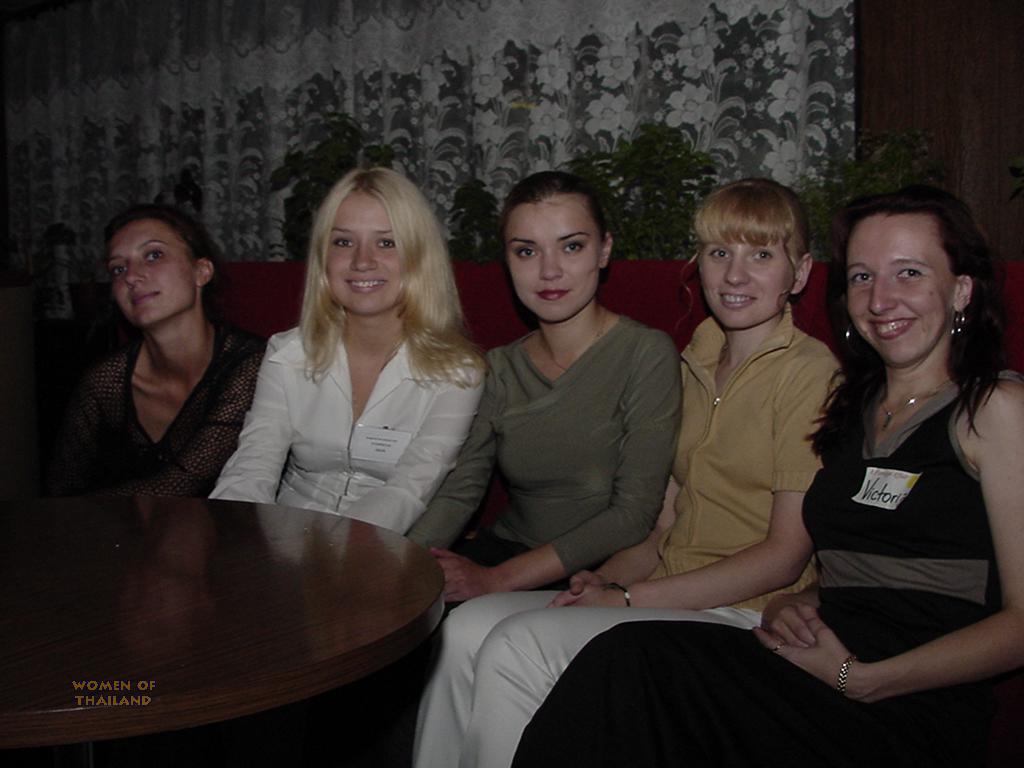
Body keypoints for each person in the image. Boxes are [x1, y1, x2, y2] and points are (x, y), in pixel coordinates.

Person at [512, 185, 1024, 768]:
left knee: (631, 659)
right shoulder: (852, 410)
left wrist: (866, 679)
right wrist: (795, 601)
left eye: (909, 273)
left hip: (906, 705)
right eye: (862, 277)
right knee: (630, 676)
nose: (881, 299)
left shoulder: (993, 409)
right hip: (810, 664)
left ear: (961, 289)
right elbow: (858, 566)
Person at [412, 178, 838, 768]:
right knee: (464, 631)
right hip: (666, 584)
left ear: (800, 272)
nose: (735, 275)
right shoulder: (697, 359)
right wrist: (602, 582)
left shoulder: (811, 372)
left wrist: (630, 598)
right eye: (720, 253)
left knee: (516, 645)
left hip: (746, 605)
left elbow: (785, 557)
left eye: (761, 255)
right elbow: (662, 525)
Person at [407, 170, 682, 598]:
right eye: (526, 251)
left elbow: (634, 514)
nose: (549, 271)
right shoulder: (498, 367)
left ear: (604, 250)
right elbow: (459, 493)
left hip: (598, 570)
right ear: (507, 261)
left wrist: (497, 580)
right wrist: (396, 564)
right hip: (503, 552)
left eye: (571, 246)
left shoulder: (645, 353)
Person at [211, 167, 484, 534]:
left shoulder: (459, 372)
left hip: (382, 545)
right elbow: (252, 465)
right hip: (283, 535)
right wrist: (227, 538)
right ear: (323, 258)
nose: (362, 261)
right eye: (343, 242)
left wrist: (333, 555)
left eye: (386, 243)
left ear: (420, 256)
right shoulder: (285, 354)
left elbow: (409, 489)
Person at [46, 204, 265, 497]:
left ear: (201, 272)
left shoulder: (253, 365)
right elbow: (60, 493)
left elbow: (179, 486)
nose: (131, 277)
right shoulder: (104, 382)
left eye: (153, 255)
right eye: (118, 268)